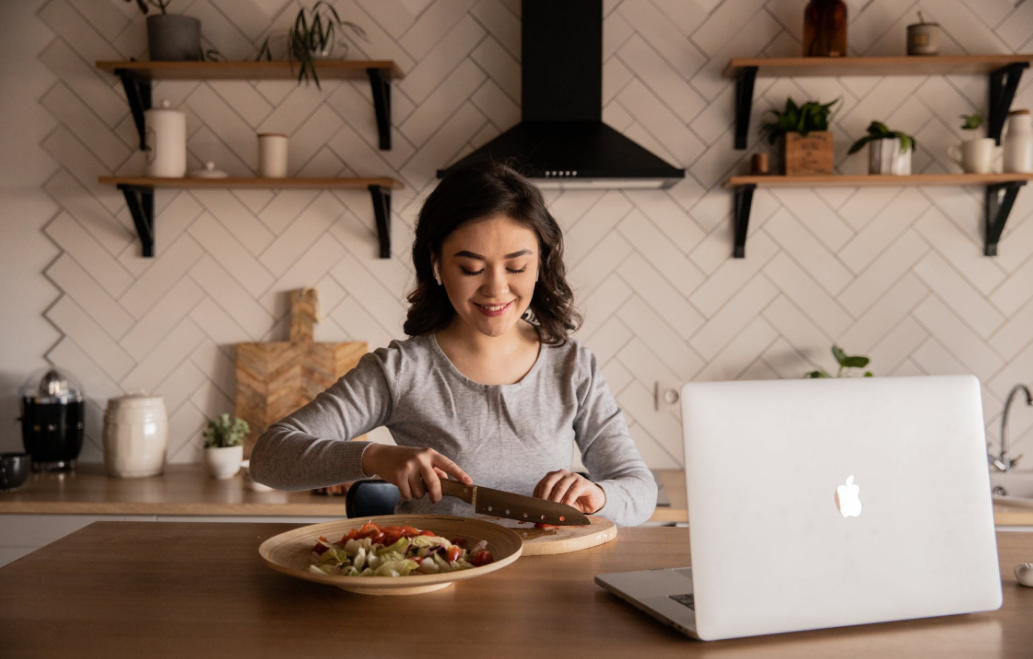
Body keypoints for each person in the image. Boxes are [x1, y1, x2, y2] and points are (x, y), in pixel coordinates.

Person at [249, 162, 657, 526]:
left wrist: (600, 496)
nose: (496, 289)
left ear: (541, 263)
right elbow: (270, 457)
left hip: (542, 592)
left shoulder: (572, 368)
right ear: (436, 264)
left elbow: (639, 490)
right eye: (471, 268)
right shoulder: (401, 371)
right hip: (439, 589)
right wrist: (373, 458)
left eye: (517, 266)